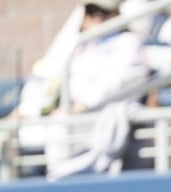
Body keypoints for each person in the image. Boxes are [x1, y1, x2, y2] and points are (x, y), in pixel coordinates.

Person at [7, 0, 148, 177]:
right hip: (66, 114)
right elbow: (48, 80)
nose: (96, 18)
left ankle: (58, 185)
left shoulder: (127, 42)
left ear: (115, 15)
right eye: (90, 12)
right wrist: (27, 110)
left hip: (99, 115)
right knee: (13, 130)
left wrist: (84, 105)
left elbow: (117, 82)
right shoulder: (77, 44)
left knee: (59, 128)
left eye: (102, 13)